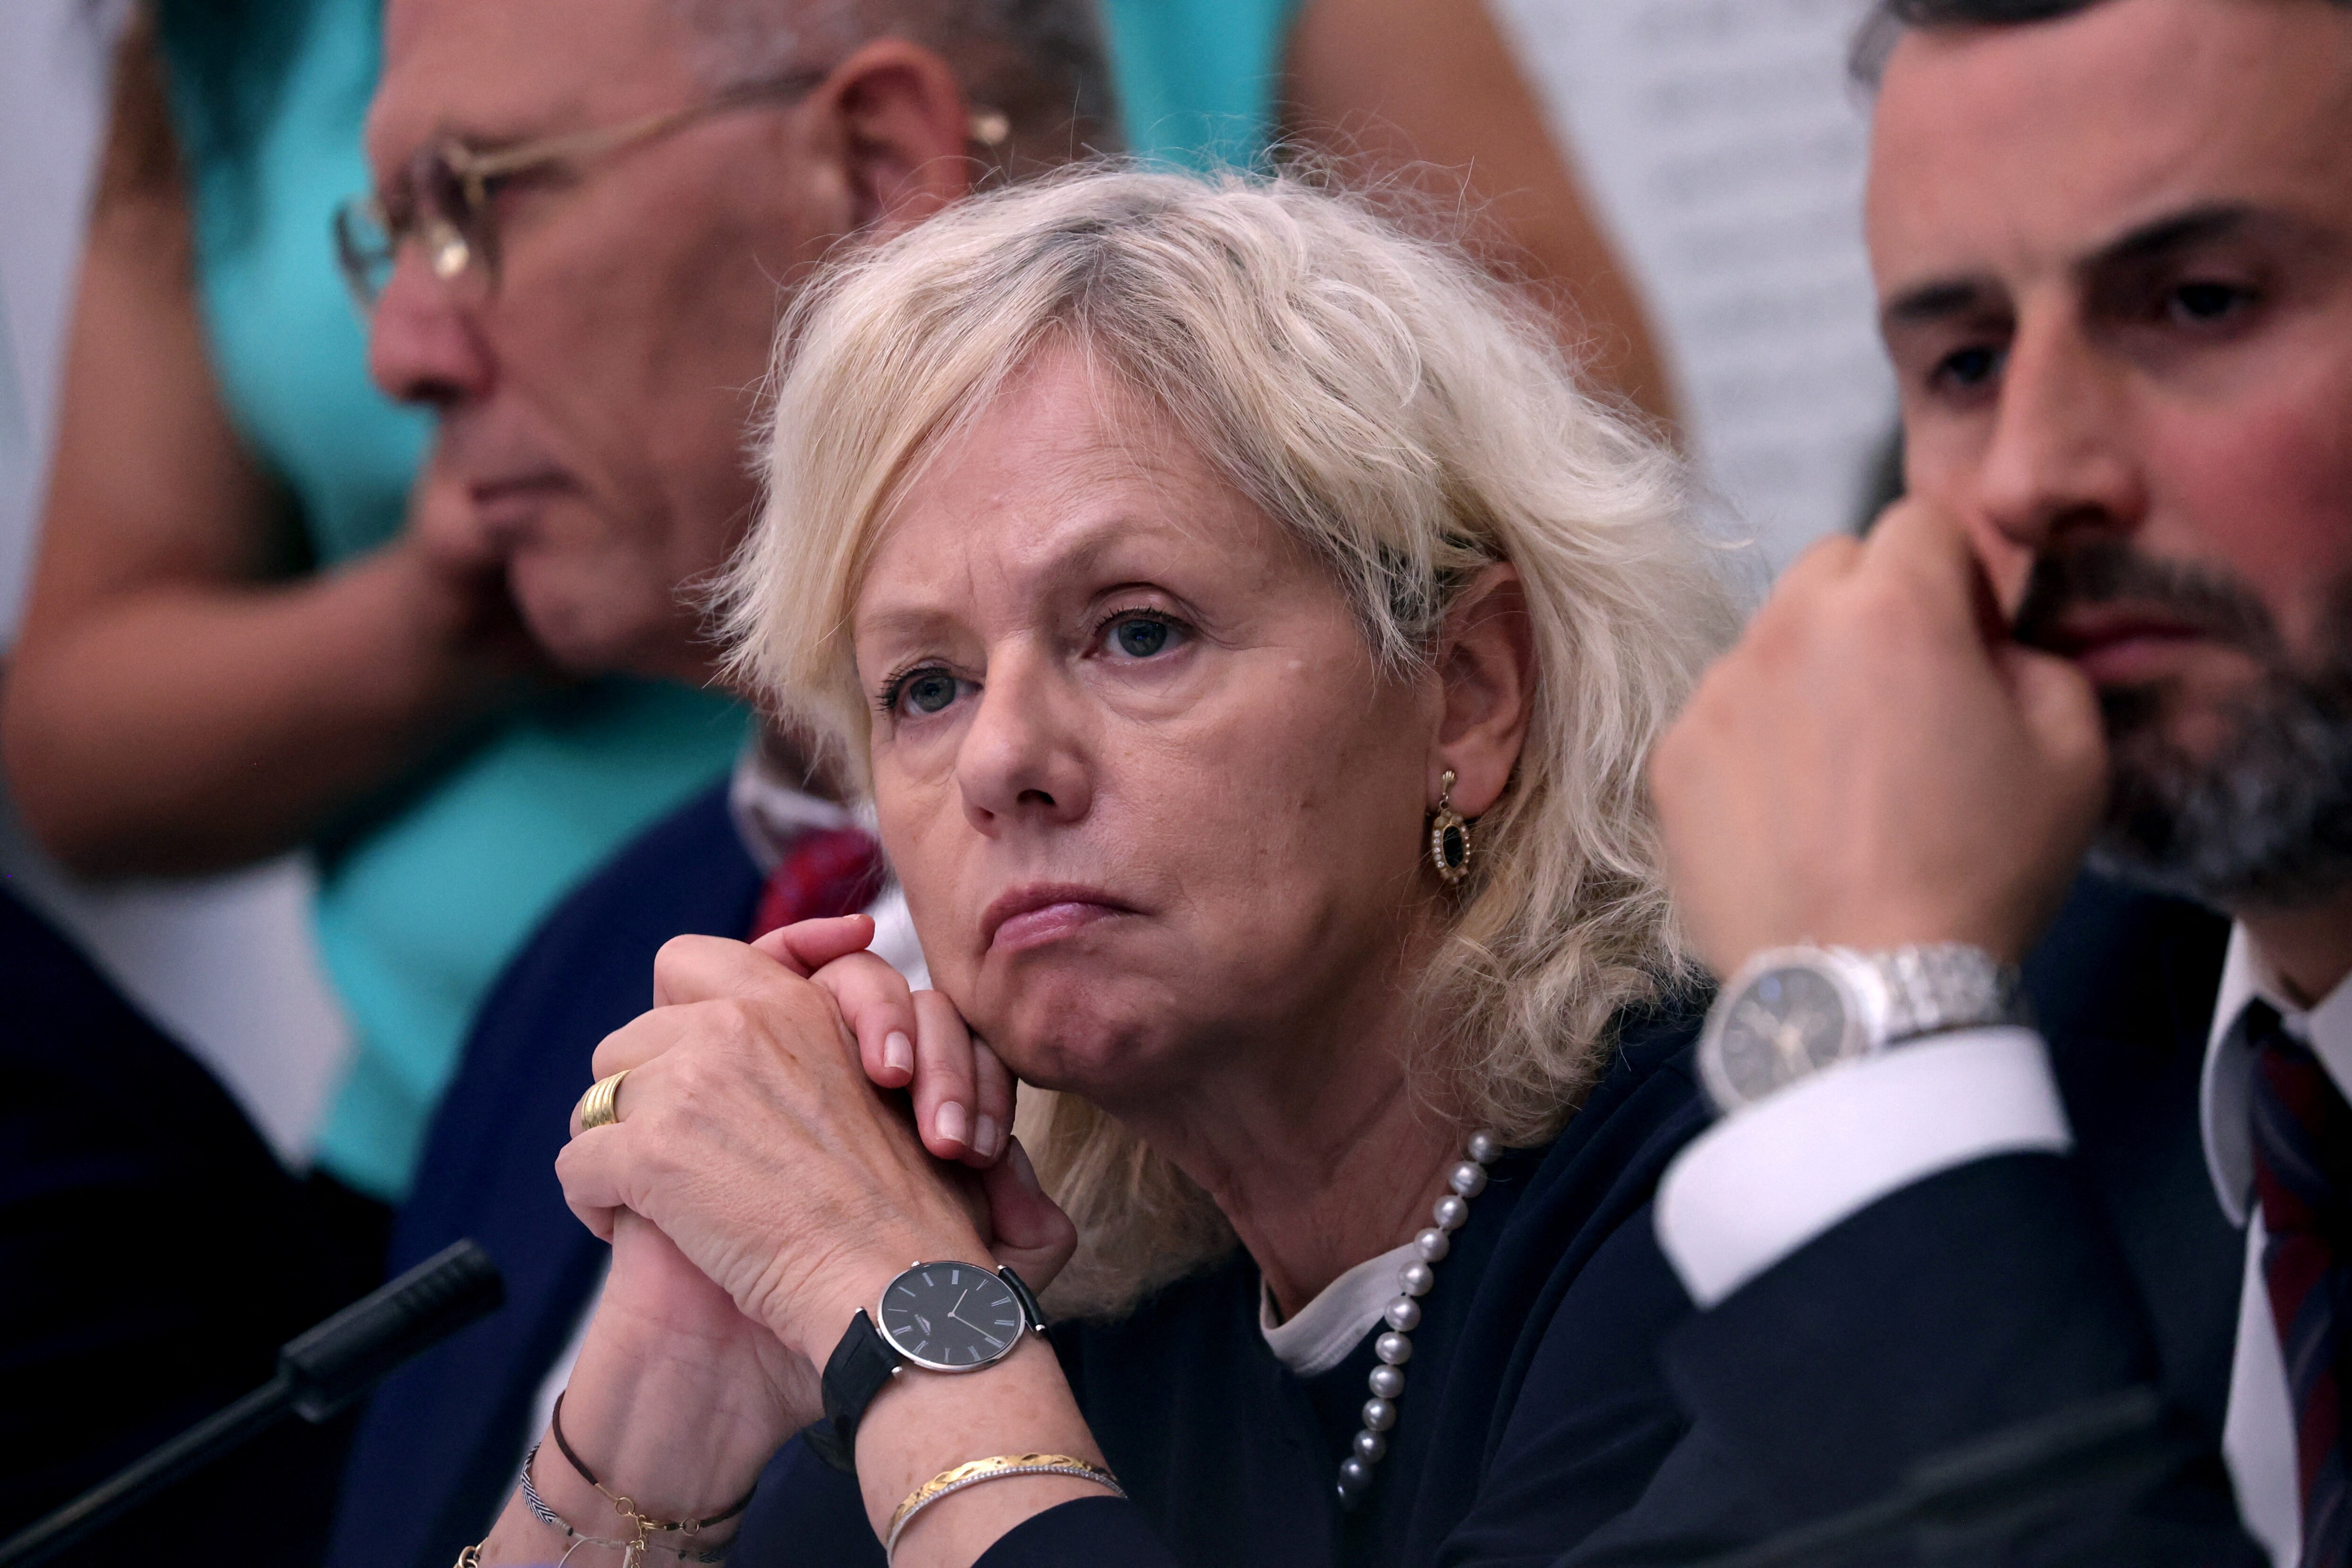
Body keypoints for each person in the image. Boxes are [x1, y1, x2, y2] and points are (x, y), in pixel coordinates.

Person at [426, 166, 1732, 1568]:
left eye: (1137, 632)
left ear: (1467, 694)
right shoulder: (1076, 1294)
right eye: (925, 687)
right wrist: (667, 1403)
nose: (998, 763)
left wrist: (905, 1315)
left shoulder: (1733, 1198)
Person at [1634, 0, 2352, 1562]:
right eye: (1963, 362)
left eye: (2200, 303)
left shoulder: (1930, 1043)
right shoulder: (2076, 993)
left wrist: (1864, 1065)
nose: (2032, 471)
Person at [0, 0, 753, 1219]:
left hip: (933, 1090)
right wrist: (435, 624)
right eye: (393, 233)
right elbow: (74, 746)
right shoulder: (231, 46)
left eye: (497, 196)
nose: (397, 354)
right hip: (440, 1164)